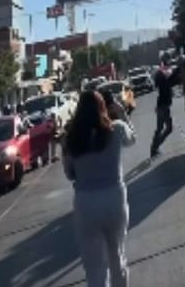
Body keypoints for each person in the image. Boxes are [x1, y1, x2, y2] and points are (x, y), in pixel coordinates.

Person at [63, 91, 136, 287]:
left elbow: (69, 174)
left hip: (85, 203)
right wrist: (122, 112)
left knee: (94, 267)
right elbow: (132, 139)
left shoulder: (71, 139)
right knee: (116, 256)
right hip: (114, 198)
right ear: (103, 107)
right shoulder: (117, 129)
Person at [151, 63, 175, 158]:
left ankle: (154, 149)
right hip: (163, 107)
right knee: (168, 128)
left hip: (161, 106)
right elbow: (170, 75)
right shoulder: (162, 80)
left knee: (160, 128)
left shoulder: (160, 80)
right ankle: (155, 147)